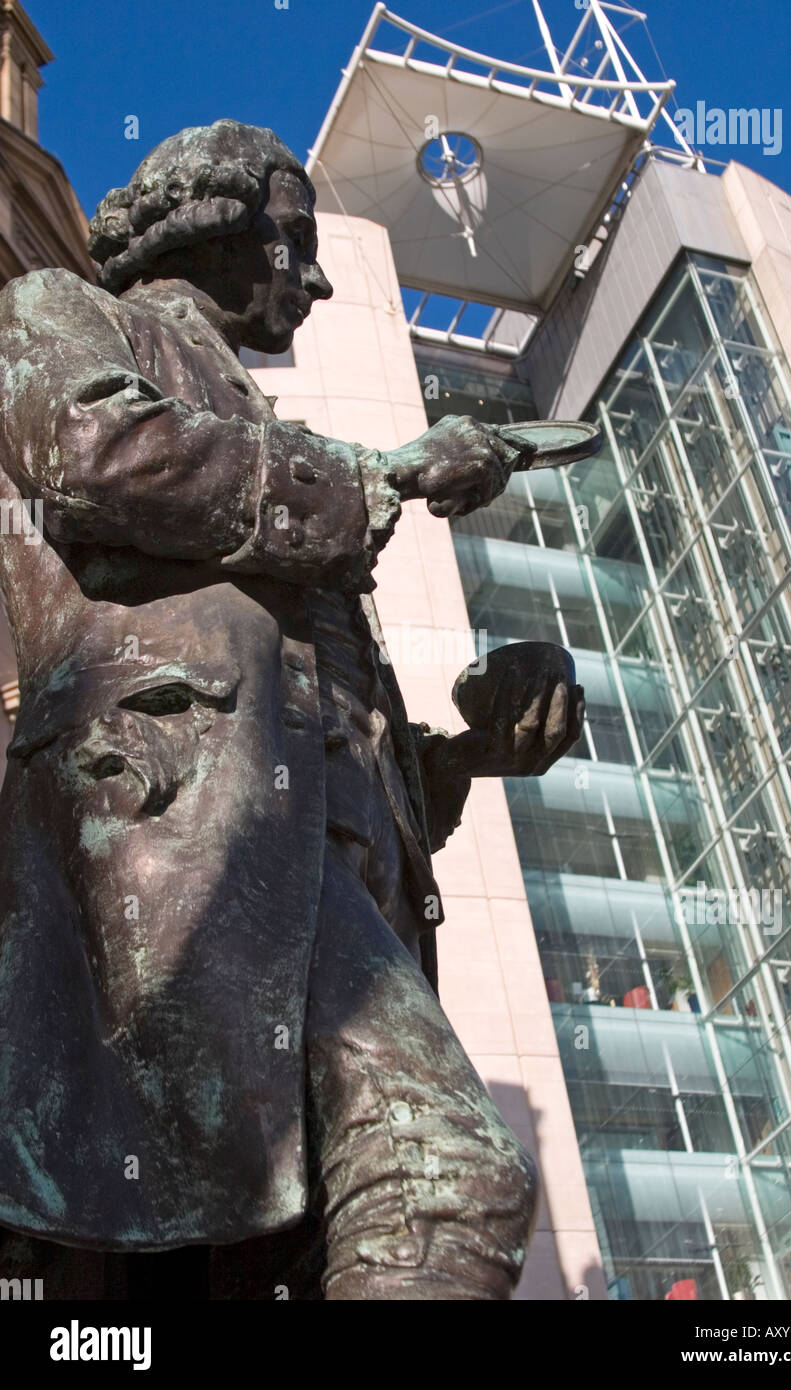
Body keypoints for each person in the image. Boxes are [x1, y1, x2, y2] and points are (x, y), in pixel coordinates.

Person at [0, 121, 584, 1299]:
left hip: (308, 899)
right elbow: (89, 445)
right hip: (182, 871)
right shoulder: (65, 313)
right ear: (219, 224)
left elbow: (323, 760)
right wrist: (376, 478)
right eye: (295, 242)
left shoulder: (262, 438)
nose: (312, 278)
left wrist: (470, 747)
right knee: (449, 1176)